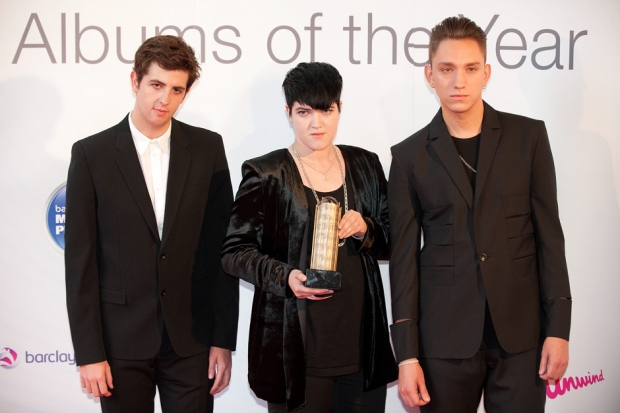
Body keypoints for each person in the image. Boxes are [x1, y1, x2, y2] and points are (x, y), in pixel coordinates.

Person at [388, 16, 572, 413]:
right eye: (447, 69)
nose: (459, 82)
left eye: (471, 69)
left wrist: (558, 330)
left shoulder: (529, 138)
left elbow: (549, 240)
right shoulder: (408, 157)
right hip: (443, 342)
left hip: (521, 338)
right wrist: (406, 355)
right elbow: (402, 261)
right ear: (429, 75)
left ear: (486, 73)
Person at [65, 35, 239, 413]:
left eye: (176, 89)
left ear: (186, 92)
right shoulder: (91, 155)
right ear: (135, 81)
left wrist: (222, 340)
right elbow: (80, 264)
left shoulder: (208, 149)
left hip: (191, 342)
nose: (164, 99)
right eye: (156, 85)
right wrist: (89, 353)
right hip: (119, 343)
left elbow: (220, 250)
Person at [222, 62, 397, 412]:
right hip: (297, 353)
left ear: (339, 109)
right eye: (304, 112)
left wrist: (366, 228)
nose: (316, 123)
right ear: (288, 113)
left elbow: (394, 240)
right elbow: (233, 252)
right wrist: (285, 276)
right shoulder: (266, 173)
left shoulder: (366, 165)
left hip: (361, 351)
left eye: (326, 111)